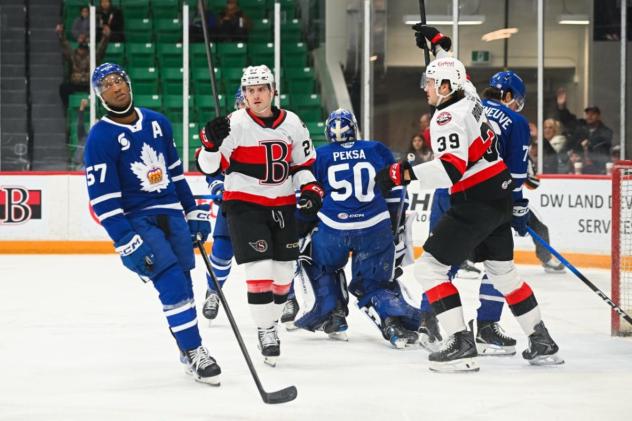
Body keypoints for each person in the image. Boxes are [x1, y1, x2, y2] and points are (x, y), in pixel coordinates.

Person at [375, 25, 563, 372]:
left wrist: (402, 173)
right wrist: (438, 46)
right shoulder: (471, 96)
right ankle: (541, 339)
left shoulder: (446, 117)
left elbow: (449, 171)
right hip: (499, 198)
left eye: (430, 83)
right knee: (504, 273)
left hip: (474, 201)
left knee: (430, 269)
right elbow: (453, 66)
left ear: (445, 87)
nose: (426, 89)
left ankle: (461, 344)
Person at [84, 63, 221, 384]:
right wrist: (126, 241)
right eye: (106, 85)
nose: (115, 88)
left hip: (172, 213)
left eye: (119, 80)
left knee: (185, 281)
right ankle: (196, 349)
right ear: (99, 95)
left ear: (128, 83)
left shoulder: (158, 123)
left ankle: (186, 350)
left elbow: (176, 176)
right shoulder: (100, 137)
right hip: (138, 219)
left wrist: (193, 212)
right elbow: (103, 200)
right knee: (171, 281)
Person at [195, 65, 324, 367]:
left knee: (282, 275)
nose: (255, 95)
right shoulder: (235, 123)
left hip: (281, 206)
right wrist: (209, 144)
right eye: (250, 90)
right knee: (260, 270)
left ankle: (271, 322)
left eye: (261, 89)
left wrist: (310, 189)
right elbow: (210, 167)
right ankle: (265, 329)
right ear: (244, 93)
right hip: (244, 207)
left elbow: (301, 165)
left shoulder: (292, 123)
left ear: (272, 91)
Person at [289, 109, 437, 349]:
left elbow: (306, 197)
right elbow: (397, 190)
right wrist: (395, 227)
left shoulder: (319, 156)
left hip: (333, 230)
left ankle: (333, 314)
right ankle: (392, 323)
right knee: (374, 284)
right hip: (374, 228)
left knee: (317, 262)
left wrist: (299, 226)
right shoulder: (376, 149)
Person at [200, 87, 247, 323]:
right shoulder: (225, 129)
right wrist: (217, 184)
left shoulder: (271, 126)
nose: (243, 108)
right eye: (240, 103)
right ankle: (213, 291)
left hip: (267, 201)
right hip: (235, 200)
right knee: (222, 249)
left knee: (276, 256)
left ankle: (287, 296)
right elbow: (211, 163)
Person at [556, 88, 613, 174]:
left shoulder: (606, 131)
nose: (589, 116)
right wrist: (562, 106)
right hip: (578, 168)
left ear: (598, 116)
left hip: (598, 170)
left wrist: (589, 143)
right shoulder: (580, 125)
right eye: (588, 113)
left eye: (593, 114)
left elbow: (603, 144)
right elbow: (567, 119)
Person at [56, 23, 110, 109]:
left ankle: (100, 110)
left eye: (84, 49)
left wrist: (105, 37)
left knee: (102, 88)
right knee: (63, 88)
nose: (82, 52)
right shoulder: (73, 55)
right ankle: (68, 108)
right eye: (81, 49)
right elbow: (65, 45)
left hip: (89, 84)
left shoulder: (93, 56)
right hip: (75, 84)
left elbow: (101, 49)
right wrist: (60, 34)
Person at [71, 98, 89, 170]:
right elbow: (80, 125)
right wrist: (81, 108)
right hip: (80, 166)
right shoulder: (84, 137)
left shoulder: (100, 141)